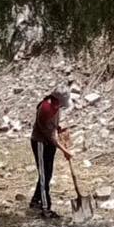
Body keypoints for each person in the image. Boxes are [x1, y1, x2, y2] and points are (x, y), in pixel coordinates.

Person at [29, 89, 72, 217]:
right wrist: (65, 151)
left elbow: (53, 126)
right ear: (56, 99)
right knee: (43, 176)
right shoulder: (45, 109)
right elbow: (49, 136)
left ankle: (35, 201)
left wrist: (59, 129)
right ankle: (45, 208)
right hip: (41, 142)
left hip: (50, 143)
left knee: (48, 174)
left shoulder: (56, 106)